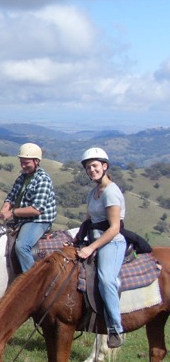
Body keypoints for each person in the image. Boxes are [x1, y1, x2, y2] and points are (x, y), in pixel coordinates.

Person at [76, 148, 127, 349]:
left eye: (95, 166)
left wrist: (91, 248)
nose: (91, 170)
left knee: (106, 280)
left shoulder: (112, 192)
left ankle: (115, 328)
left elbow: (114, 228)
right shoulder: (93, 192)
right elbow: (89, 221)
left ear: (105, 166)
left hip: (111, 242)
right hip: (93, 239)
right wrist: (78, 240)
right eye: (88, 167)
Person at [0, 142, 56, 273]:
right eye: (22, 162)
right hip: (21, 218)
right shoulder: (22, 178)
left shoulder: (43, 179)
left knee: (22, 246)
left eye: (26, 163)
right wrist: (2, 213)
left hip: (38, 221)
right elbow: (10, 198)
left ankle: (32, 280)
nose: (23, 166)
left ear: (36, 161)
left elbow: (36, 210)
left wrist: (12, 213)